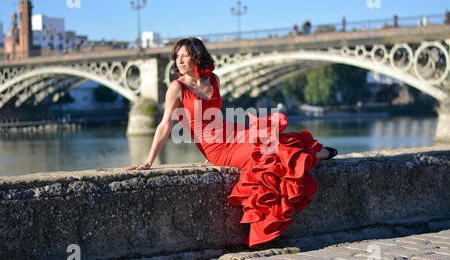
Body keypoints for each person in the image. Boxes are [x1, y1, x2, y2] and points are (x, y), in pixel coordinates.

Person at [122, 37, 338, 248]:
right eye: (177, 56)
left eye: (185, 55)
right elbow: (165, 125)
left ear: (196, 57)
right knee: (265, 152)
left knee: (270, 139)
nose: (179, 60)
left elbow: (213, 114)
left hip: (231, 130)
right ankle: (313, 155)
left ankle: (312, 152)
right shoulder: (176, 88)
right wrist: (149, 161)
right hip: (216, 147)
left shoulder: (214, 79)